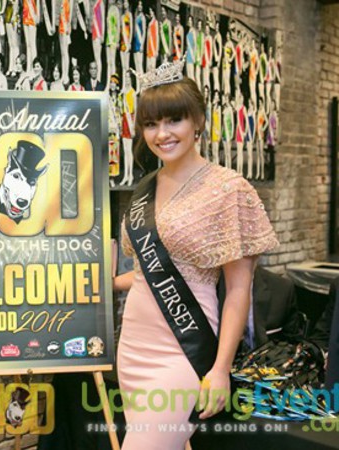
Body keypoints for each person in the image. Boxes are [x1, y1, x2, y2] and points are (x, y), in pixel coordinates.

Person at [113, 73, 277, 449]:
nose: (162, 134)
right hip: (134, 346)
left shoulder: (228, 189)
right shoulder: (146, 186)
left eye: (174, 120)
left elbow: (239, 289)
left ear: (198, 120)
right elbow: (144, 274)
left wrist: (220, 369)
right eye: (151, 124)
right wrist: (107, 285)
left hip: (183, 348)